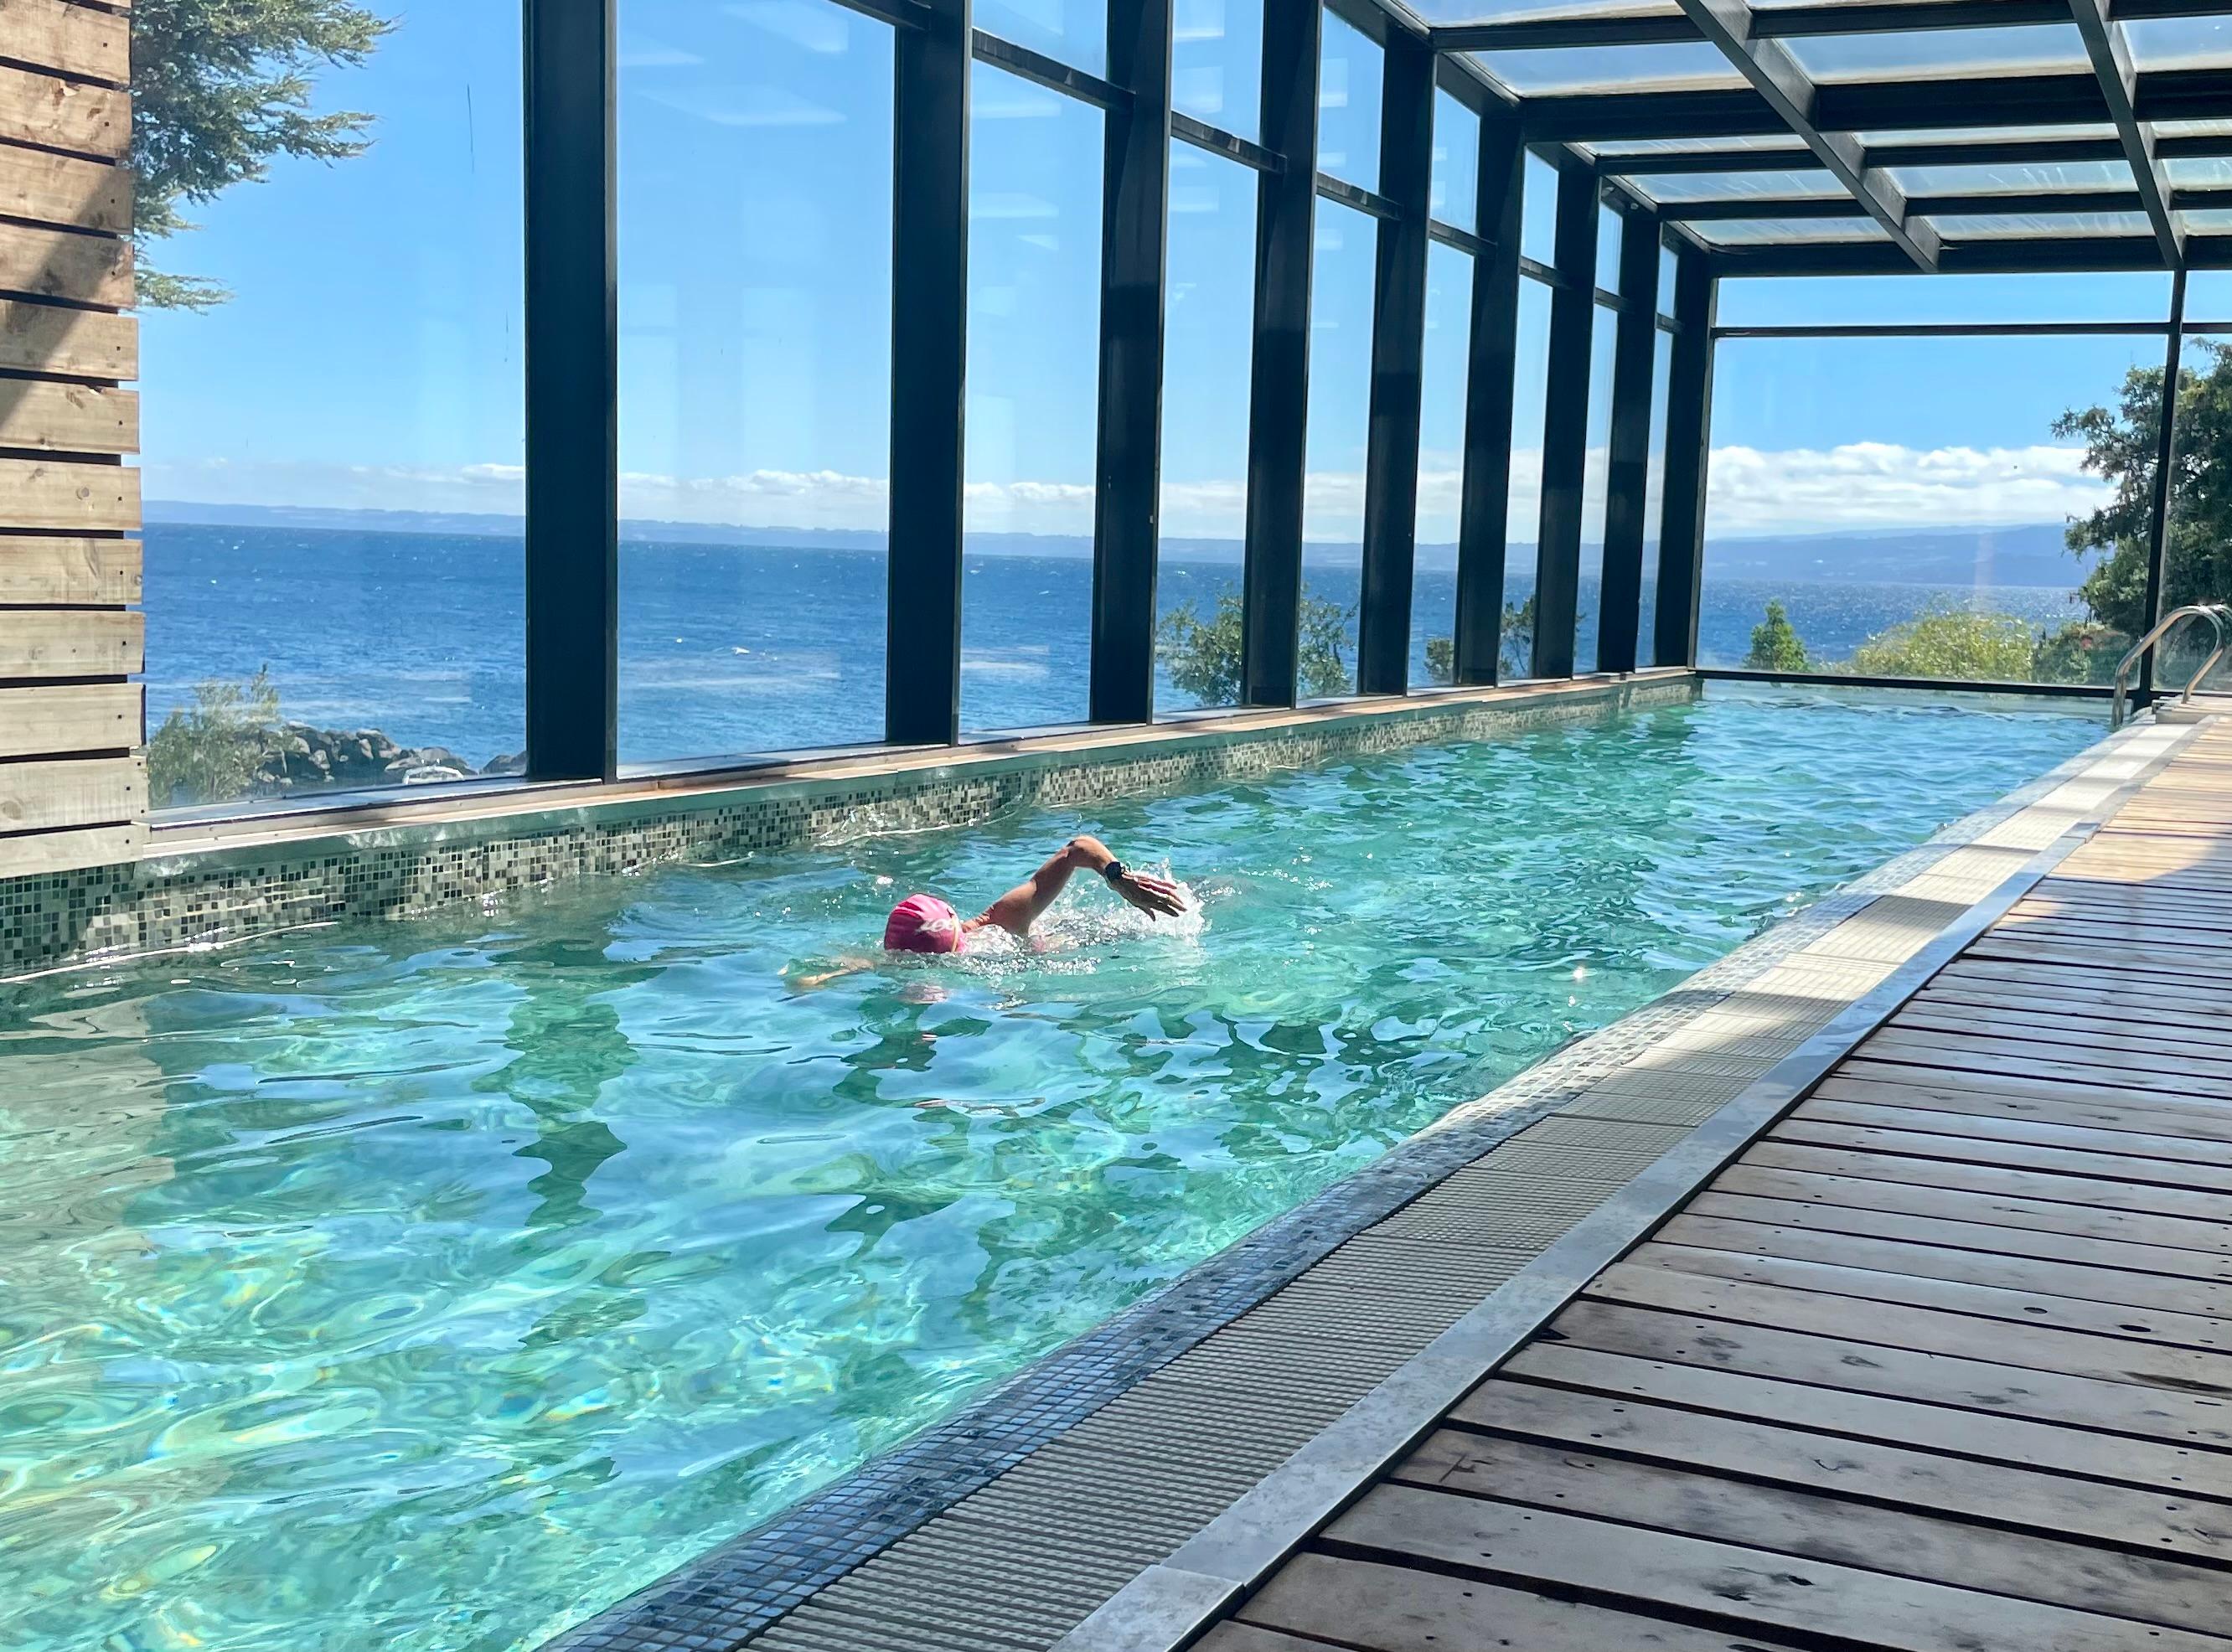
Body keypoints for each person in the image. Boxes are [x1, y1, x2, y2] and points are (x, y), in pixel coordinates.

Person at [884, 834, 1185, 955]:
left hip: (1098, 933)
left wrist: (1119, 879)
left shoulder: (1002, 920)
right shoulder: (895, 955)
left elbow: (1078, 848)